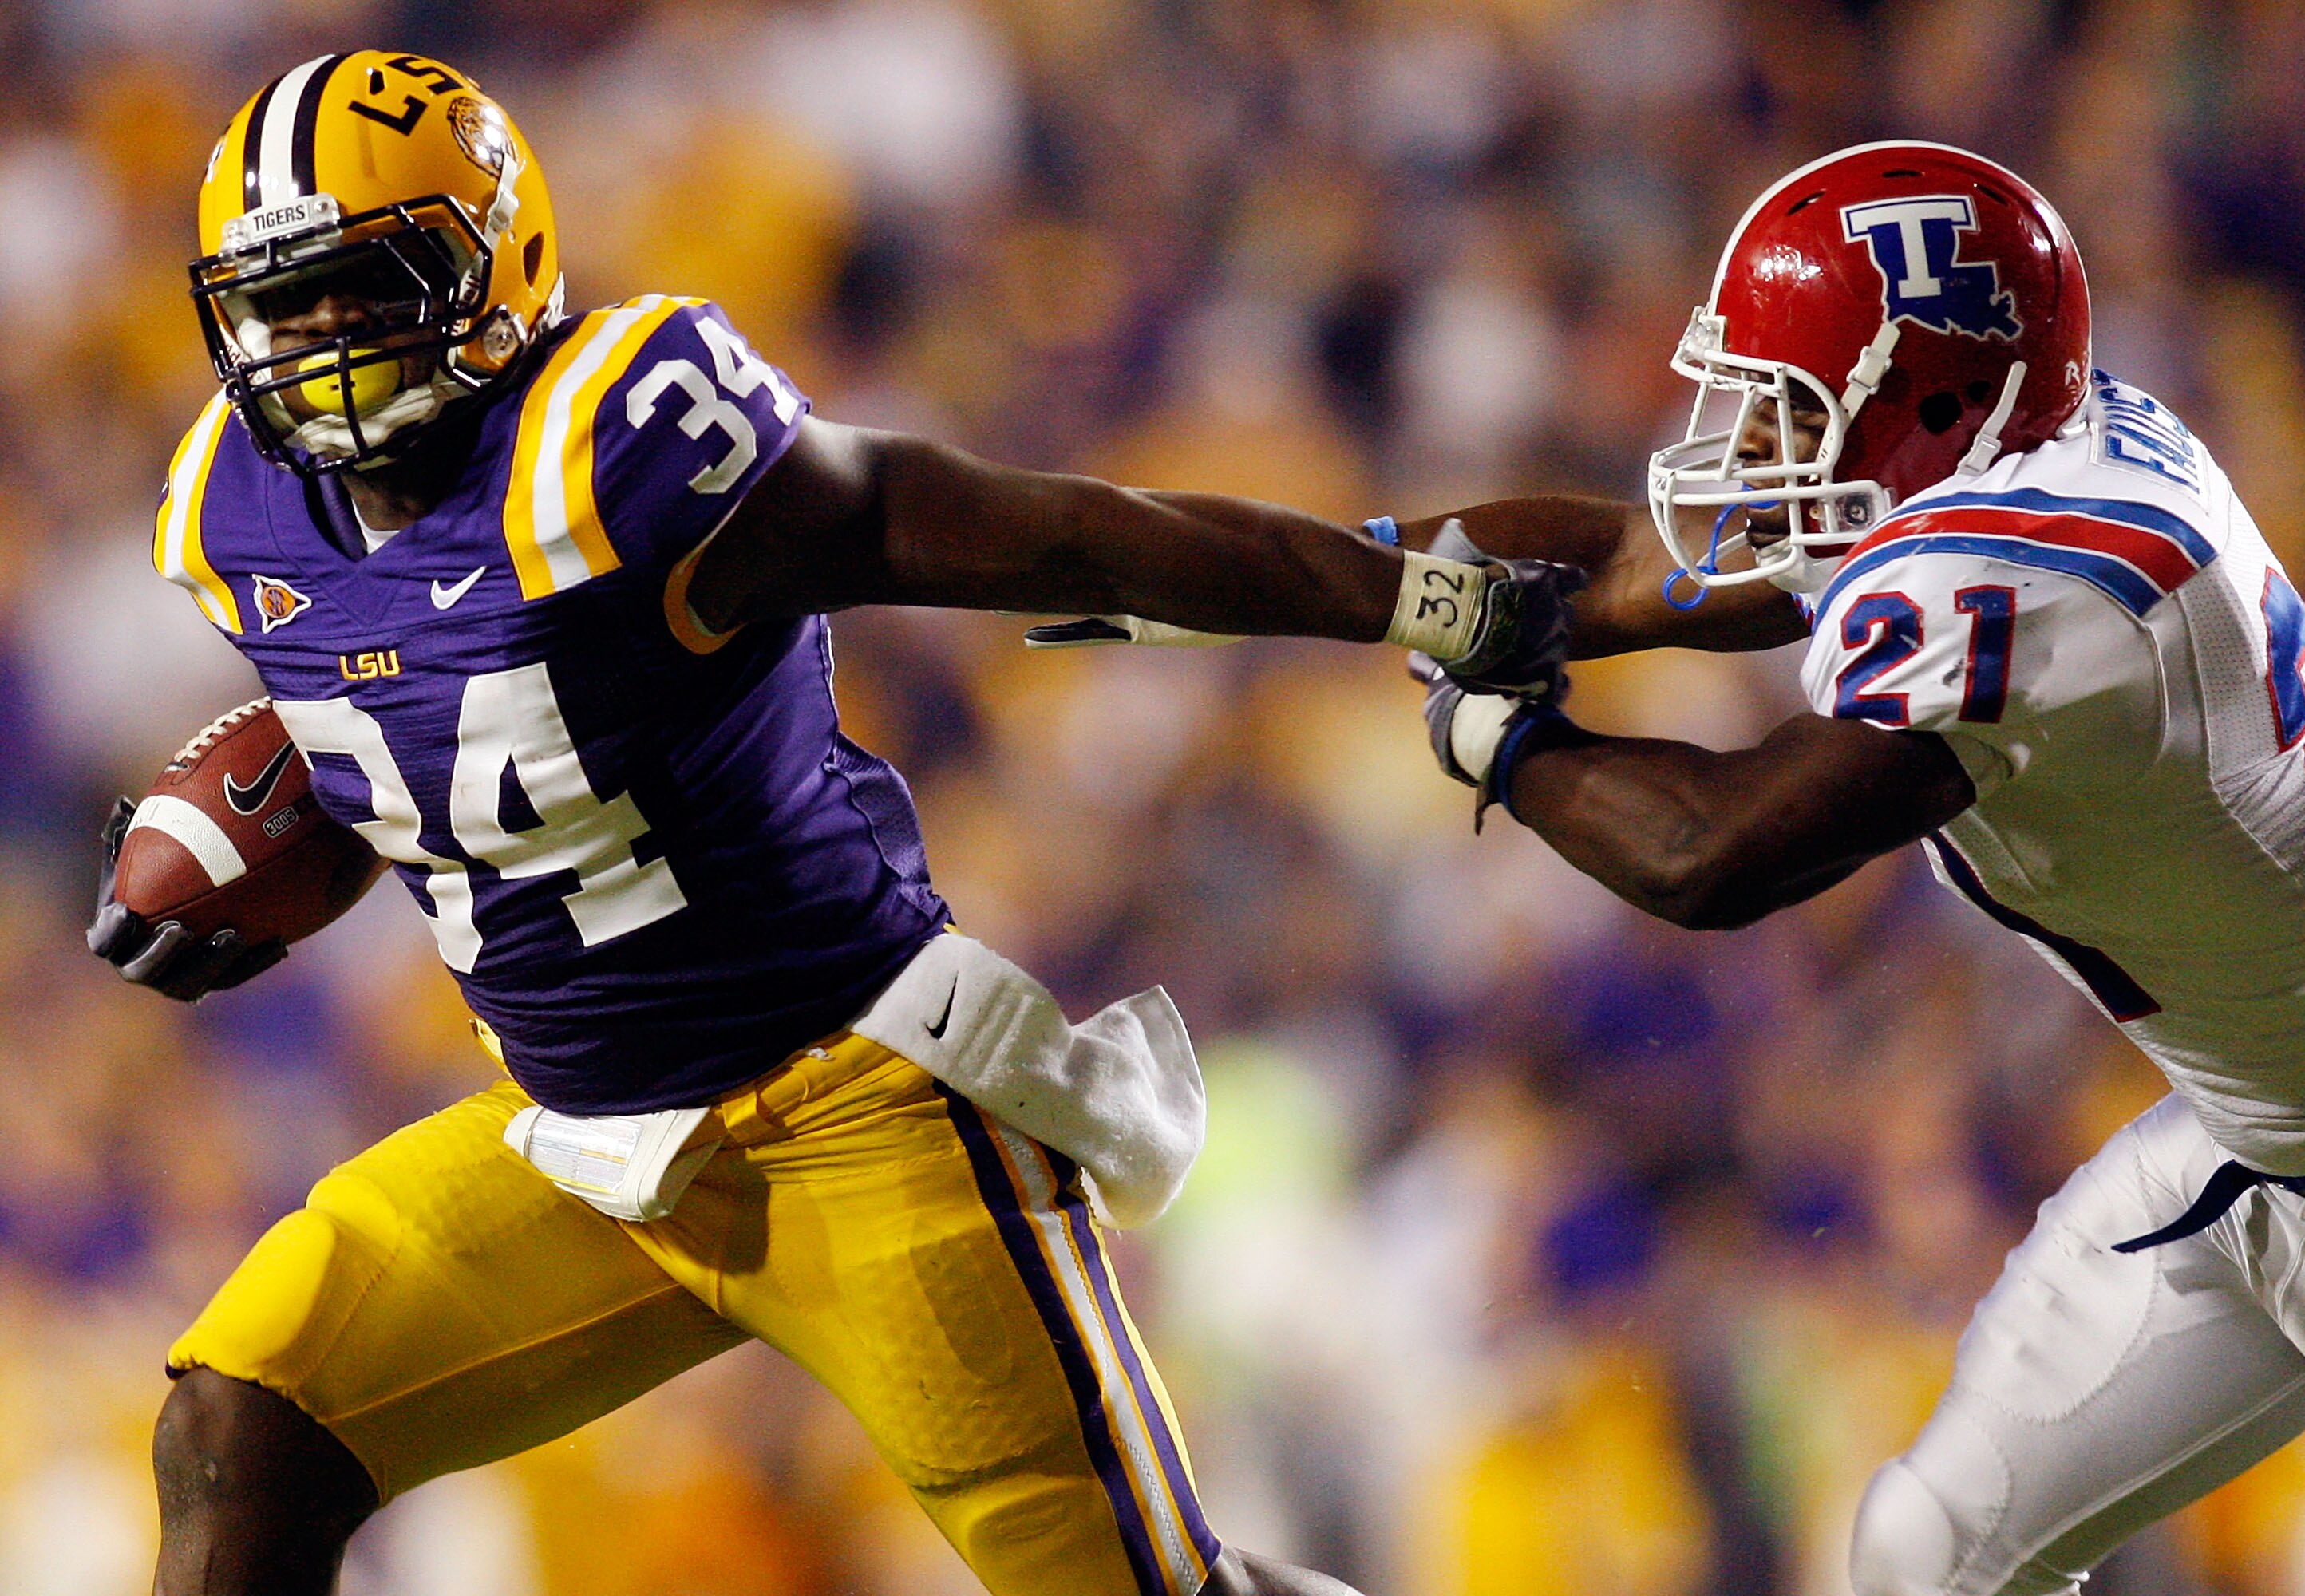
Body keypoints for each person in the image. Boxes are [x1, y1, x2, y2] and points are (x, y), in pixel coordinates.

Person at [93, 51, 1582, 1596]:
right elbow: (435, 731)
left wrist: (1405, 596)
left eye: (368, 285)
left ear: (495, 257)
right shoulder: (228, 508)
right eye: (285, 302)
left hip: (858, 1107)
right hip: (582, 1145)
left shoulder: (619, 442)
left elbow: (1051, 535)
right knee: (242, 1423)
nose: (321, 338)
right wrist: (253, 857)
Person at [1391, 140, 2305, 1592]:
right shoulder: (2035, 466)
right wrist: (1351, 584)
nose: (1752, 447)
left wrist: (1509, 746)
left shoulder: (2026, 577)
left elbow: (1708, 855)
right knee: (1929, 1553)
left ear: (1931, 401)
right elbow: (1630, 569)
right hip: (2268, 1144)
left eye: (1793, 408)